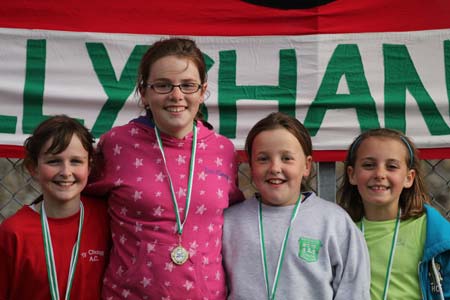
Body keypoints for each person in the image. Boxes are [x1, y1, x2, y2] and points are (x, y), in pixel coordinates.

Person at [84, 37, 244, 299]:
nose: (176, 95)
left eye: (188, 86)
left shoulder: (224, 150)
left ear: (202, 92)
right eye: (163, 85)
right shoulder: (116, 145)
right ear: (144, 92)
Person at [222, 112, 371, 300]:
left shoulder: (334, 222)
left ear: (306, 166)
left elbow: (354, 290)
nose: (275, 167)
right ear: (251, 167)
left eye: (287, 158)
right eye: (263, 159)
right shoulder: (229, 222)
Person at [0, 115, 110, 300]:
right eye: (54, 161)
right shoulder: (14, 232)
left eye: (76, 161)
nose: (66, 172)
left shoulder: (107, 218)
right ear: (33, 168)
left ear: (89, 167)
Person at [338, 128, 450, 300]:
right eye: (369, 165)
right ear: (352, 175)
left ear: (409, 178)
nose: (380, 174)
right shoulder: (339, 231)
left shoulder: (432, 231)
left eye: (391, 167)